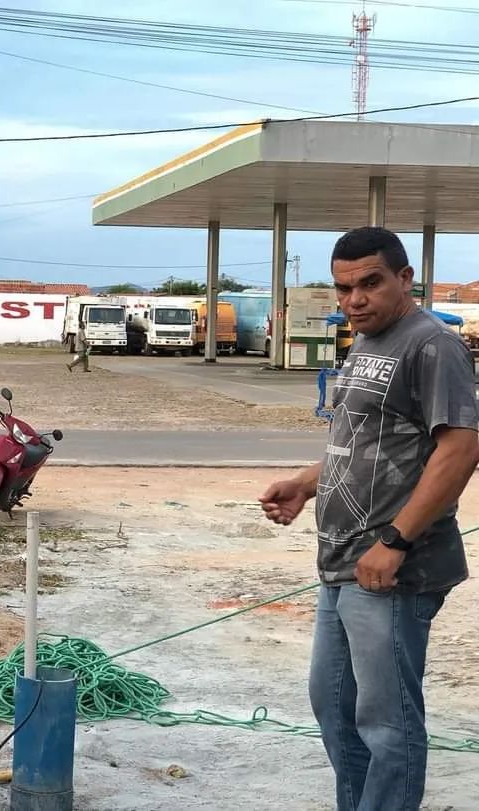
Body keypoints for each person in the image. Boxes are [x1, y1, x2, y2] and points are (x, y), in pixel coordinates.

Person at [259, 226, 479, 811]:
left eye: (371, 283)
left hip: (394, 569)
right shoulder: (366, 343)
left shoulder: (431, 345)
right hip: (342, 562)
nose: (354, 299)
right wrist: (305, 484)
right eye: (343, 288)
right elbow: (365, 443)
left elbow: (461, 448)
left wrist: (396, 541)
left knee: (387, 723)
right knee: (334, 707)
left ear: (406, 279)